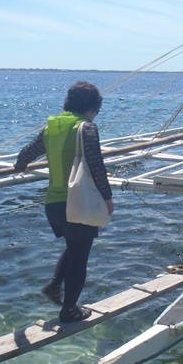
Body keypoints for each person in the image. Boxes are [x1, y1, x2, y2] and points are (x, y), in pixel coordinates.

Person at [14, 81, 114, 323]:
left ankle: (55, 284)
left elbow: (24, 155)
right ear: (91, 108)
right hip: (78, 201)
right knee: (80, 258)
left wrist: (18, 167)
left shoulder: (51, 128)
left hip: (54, 204)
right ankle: (70, 310)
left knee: (74, 246)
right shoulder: (86, 127)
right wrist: (108, 198)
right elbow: (96, 165)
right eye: (96, 110)